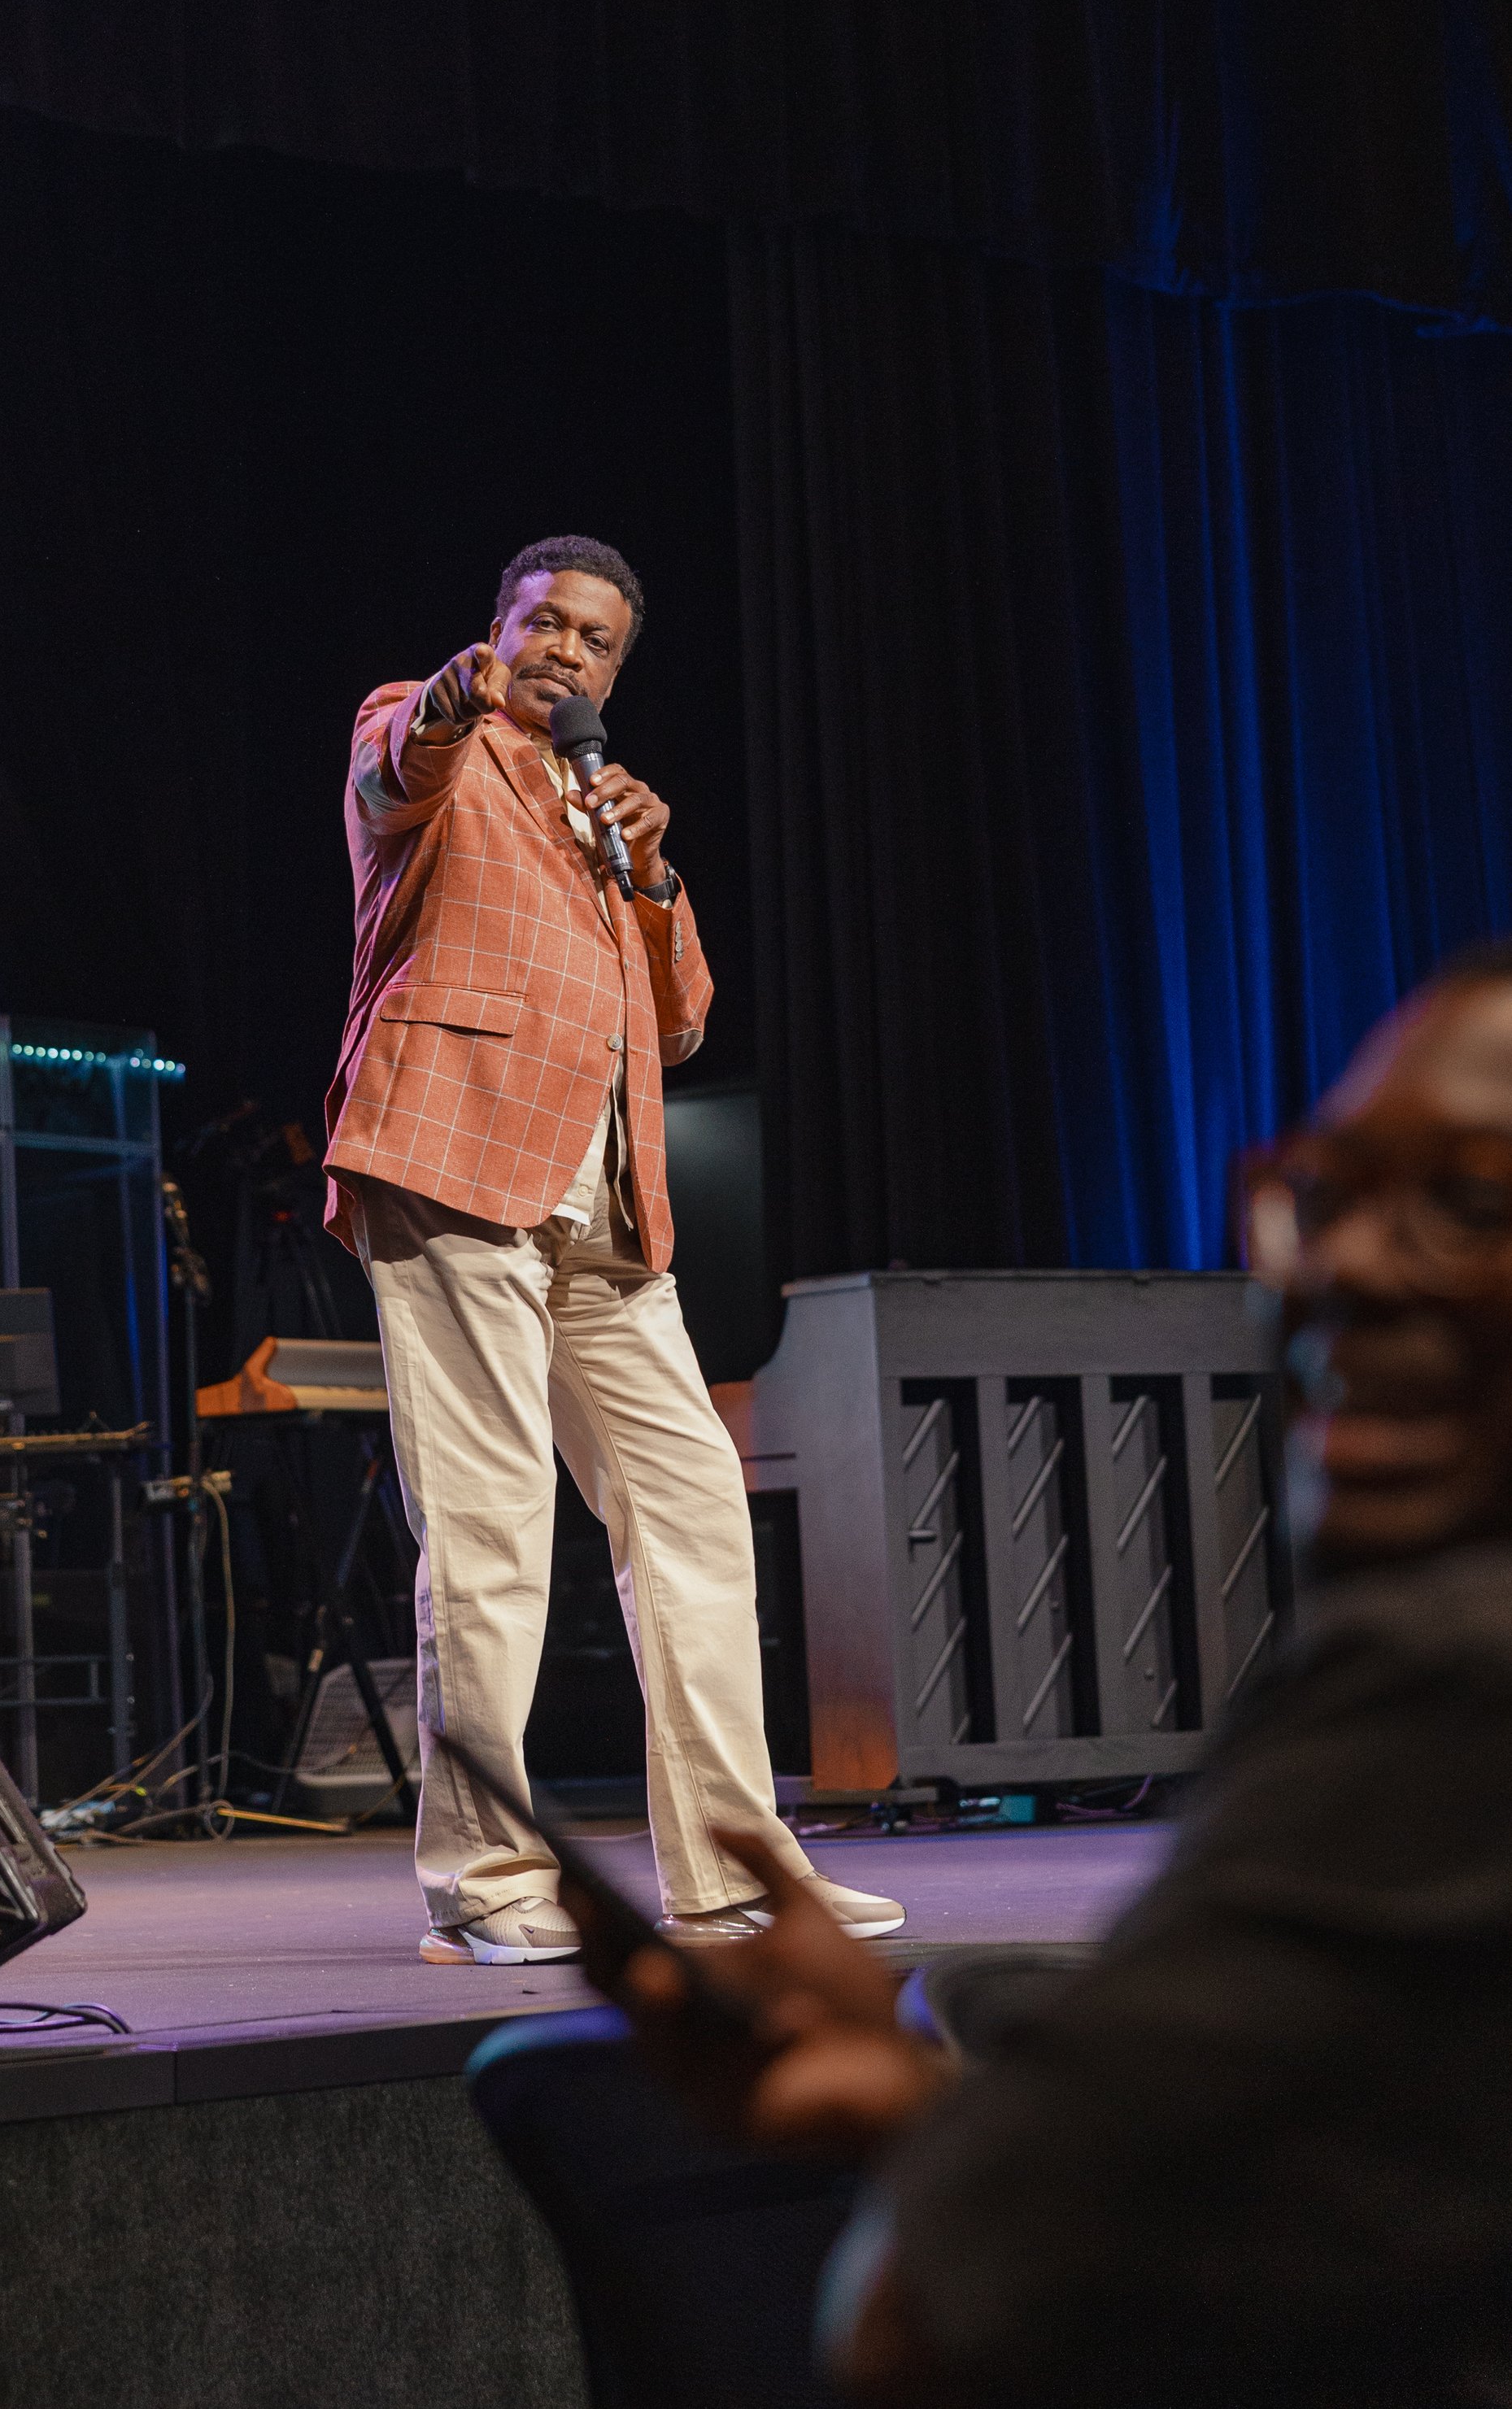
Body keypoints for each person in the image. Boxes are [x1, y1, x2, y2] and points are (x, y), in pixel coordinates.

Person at [579, 945, 1512, 2406]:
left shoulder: (1448, 1695)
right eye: (1323, 1198)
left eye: (1471, 1203)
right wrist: (937, 2104)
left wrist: (962, 2164)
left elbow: (927, 2316)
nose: (1348, 1269)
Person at [322, 534, 904, 1966]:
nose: (568, 649)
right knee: (492, 1523)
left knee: (698, 1515)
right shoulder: (434, 741)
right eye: (545, 622)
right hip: (454, 1159)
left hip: (607, 1210)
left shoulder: (608, 813)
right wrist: (467, 691)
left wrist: (646, 868)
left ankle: (733, 1868)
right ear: (499, 627)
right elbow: (398, 760)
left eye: (595, 638)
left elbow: (686, 1013)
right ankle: (485, 1874)